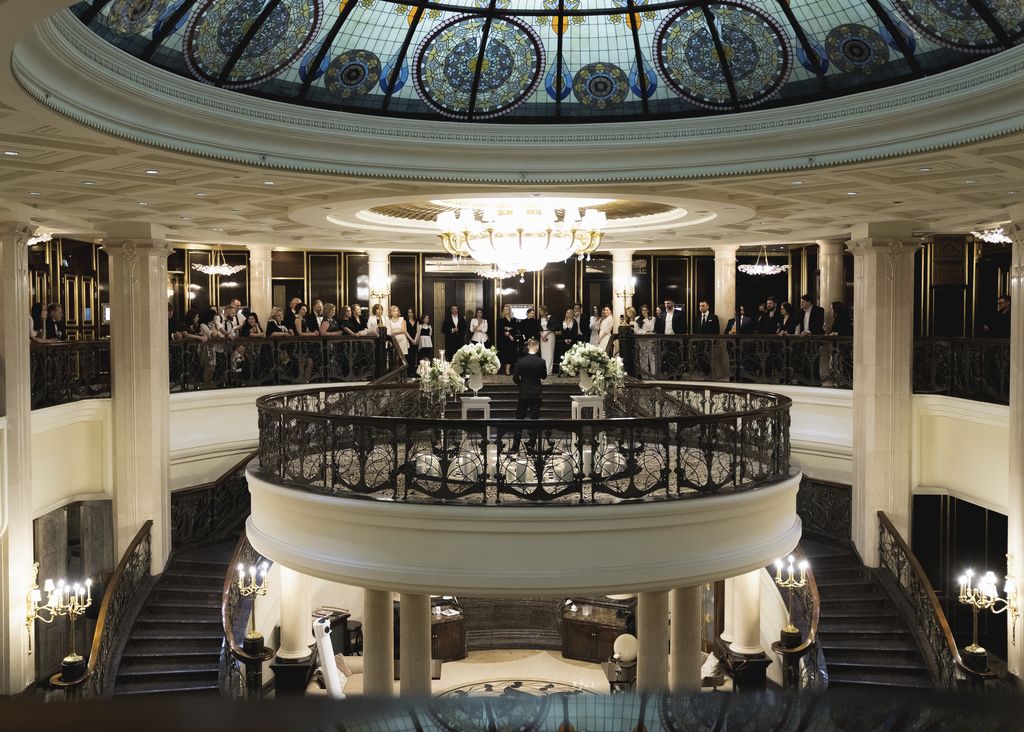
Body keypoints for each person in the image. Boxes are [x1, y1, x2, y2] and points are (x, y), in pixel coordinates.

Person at [512, 338, 546, 452]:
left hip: (524, 393)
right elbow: (544, 376)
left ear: (528, 347)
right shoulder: (541, 362)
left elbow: (515, 378)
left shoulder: (521, 361)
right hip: (536, 394)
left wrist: (522, 384)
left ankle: (515, 446)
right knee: (534, 420)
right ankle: (531, 444)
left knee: (519, 419)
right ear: (537, 347)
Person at [388, 305, 413, 375]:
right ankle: (396, 374)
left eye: (397, 311)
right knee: (395, 357)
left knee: (402, 358)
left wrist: (394, 331)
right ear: (391, 312)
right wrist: (397, 330)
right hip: (393, 341)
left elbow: (403, 330)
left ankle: (403, 374)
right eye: (394, 311)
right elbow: (389, 331)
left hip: (402, 341)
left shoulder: (402, 319)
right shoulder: (388, 321)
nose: (396, 312)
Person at [555, 307, 579, 373]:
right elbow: (561, 332)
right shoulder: (562, 322)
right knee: (563, 356)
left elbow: (575, 332)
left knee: (571, 356)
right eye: (567, 313)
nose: (568, 314)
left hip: (572, 341)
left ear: (572, 314)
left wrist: (571, 339)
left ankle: (571, 371)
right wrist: (564, 339)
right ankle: (562, 370)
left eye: (570, 313)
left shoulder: (574, 322)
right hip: (563, 341)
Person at [635, 304, 656, 376]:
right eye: (642, 310)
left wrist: (647, 319)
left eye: (645, 310)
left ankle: (654, 374)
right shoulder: (637, 319)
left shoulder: (652, 318)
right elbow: (636, 330)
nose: (644, 312)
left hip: (651, 340)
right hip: (642, 340)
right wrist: (644, 332)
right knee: (643, 357)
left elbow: (652, 328)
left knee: (652, 357)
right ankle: (645, 375)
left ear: (648, 310)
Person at [497, 304, 517, 375]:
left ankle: (508, 369)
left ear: (509, 311)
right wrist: (508, 333)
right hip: (504, 340)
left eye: (506, 309)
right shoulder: (501, 320)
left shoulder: (513, 319)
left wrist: (509, 331)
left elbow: (515, 329)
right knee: (505, 354)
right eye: (504, 309)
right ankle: (506, 370)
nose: (505, 311)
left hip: (512, 340)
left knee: (511, 354)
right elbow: (500, 330)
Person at [538, 305, 555, 375]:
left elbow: (553, 327)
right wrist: (542, 335)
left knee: (549, 353)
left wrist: (546, 335)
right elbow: (538, 328)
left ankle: (549, 370)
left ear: (545, 311)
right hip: (542, 335)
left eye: (541, 310)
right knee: (543, 353)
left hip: (549, 335)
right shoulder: (539, 319)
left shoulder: (550, 318)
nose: (540, 312)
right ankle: (544, 370)